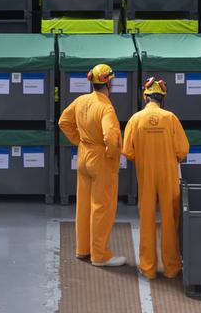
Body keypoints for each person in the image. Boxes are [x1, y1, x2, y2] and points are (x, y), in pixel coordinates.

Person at [58, 64, 126, 267]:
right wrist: (111, 156)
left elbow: (64, 121)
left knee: (84, 205)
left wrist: (78, 141)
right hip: (100, 160)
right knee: (101, 207)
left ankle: (83, 249)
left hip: (83, 155)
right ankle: (100, 255)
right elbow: (111, 139)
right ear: (108, 83)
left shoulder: (81, 101)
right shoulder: (106, 108)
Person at [122, 77, 190, 279]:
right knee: (170, 220)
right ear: (162, 98)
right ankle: (172, 268)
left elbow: (127, 151)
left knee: (147, 220)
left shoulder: (136, 119)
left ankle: (148, 268)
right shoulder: (170, 118)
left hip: (146, 177)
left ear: (145, 97)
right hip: (168, 176)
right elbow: (183, 150)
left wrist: (143, 155)